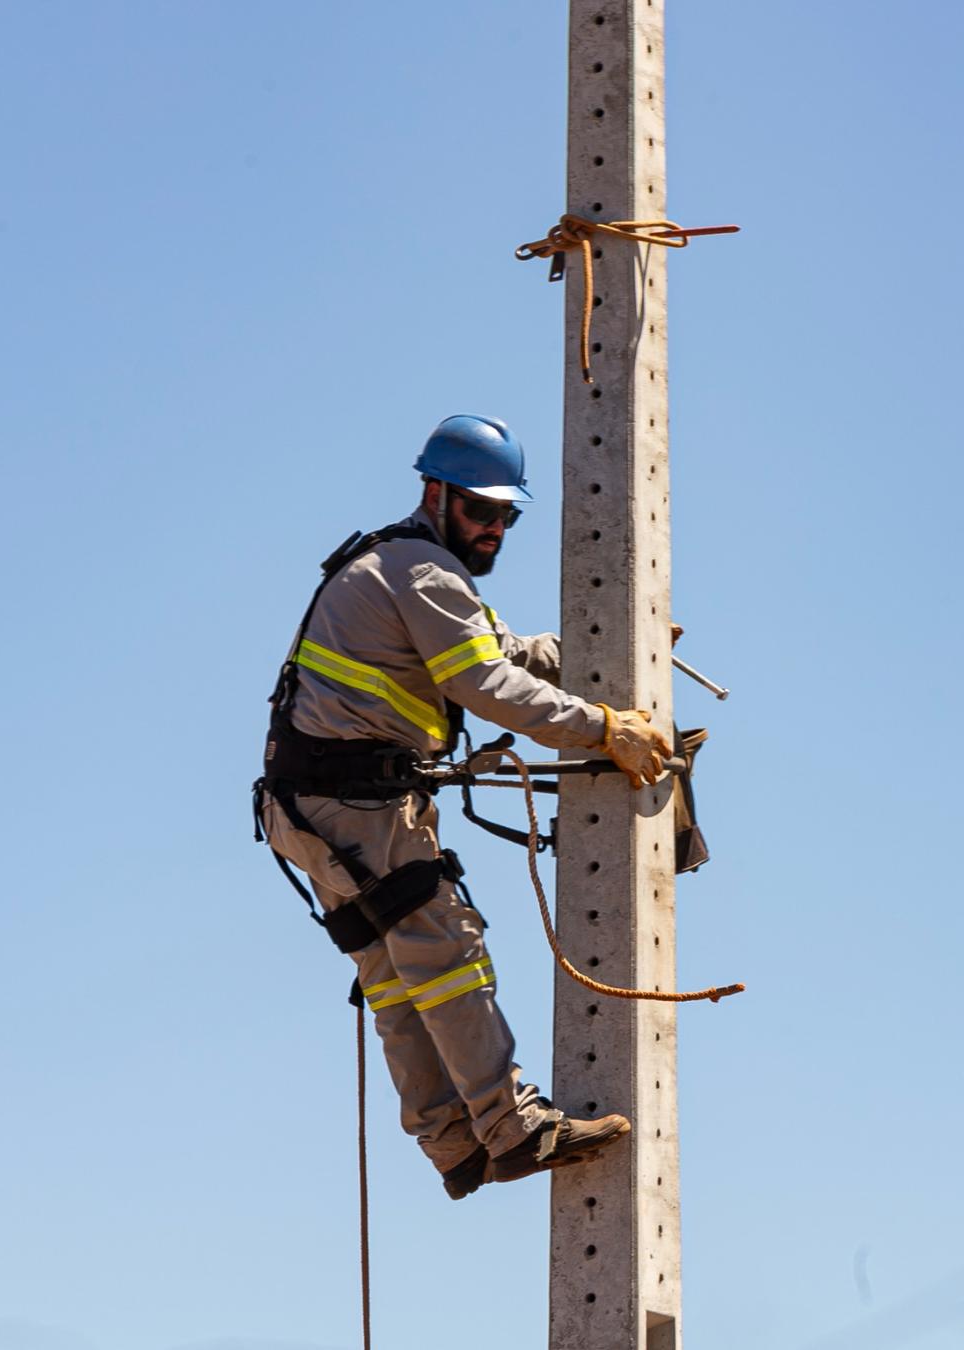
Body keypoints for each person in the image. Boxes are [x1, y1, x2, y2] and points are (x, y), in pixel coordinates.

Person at [257, 414, 672, 1200]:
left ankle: (454, 1141)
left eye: (506, 516)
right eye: (482, 512)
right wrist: (606, 728)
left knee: (396, 976)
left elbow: (503, 653)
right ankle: (512, 1125)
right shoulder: (421, 572)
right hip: (356, 802)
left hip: (311, 806)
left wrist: (607, 642)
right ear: (435, 493)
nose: (494, 528)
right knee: (445, 955)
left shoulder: (402, 566)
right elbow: (485, 684)